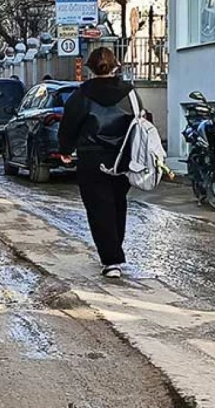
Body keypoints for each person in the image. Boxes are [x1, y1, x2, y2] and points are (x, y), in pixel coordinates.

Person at [58, 47, 141, 279]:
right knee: (117, 204)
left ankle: (111, 260)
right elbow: (140, 120)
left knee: (98, 208)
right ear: (115, 66)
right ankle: (115, 251)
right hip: (122, 157)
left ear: (90, 69)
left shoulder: (81, 95)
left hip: (91, 158)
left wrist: (65, 150)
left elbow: (69, 124)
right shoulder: (130, 93)